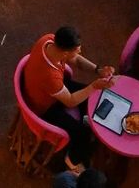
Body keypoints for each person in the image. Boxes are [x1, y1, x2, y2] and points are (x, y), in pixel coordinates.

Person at [23, 25, 114, 174]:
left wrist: (98, 70)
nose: (80, 52)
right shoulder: (50, 77)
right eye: (77, 50)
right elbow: (70, 101)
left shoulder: (48, 40)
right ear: (65, 53)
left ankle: (85, 121)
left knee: (90, 97)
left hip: (52, 90)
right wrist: (94, 86)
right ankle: (72, 160)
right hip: (46, 107)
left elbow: (76, 59)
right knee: (81, 133)